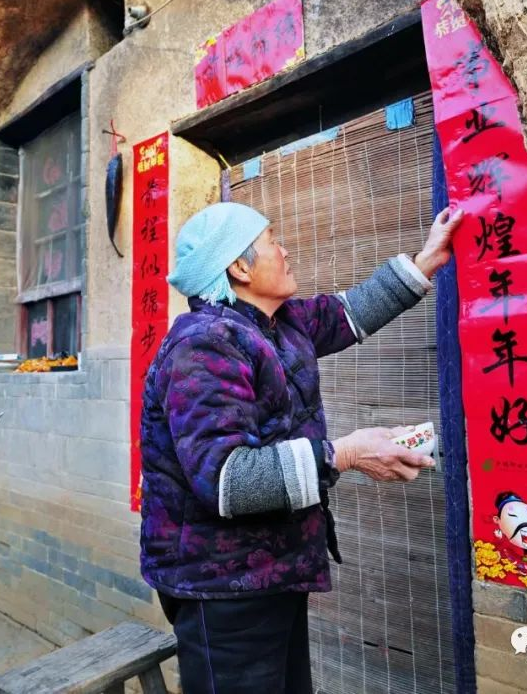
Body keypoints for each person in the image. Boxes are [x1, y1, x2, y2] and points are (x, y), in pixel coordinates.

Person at [139, 201, 463, 693]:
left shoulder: (277, 323)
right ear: (240, 267)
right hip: (221, 587)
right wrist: (344, 455)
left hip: (273, 569)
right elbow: (227, 480)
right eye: (272, 240)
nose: (286, 250)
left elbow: (348, 313)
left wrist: (426, 262)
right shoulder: (203, 345)